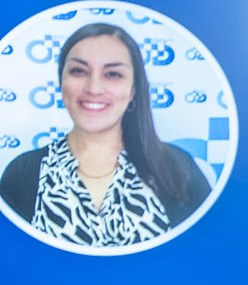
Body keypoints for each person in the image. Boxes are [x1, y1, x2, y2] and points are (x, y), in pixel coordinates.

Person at [1, 22, 210, 248]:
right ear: (62, 82)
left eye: (112, 74)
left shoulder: (177, 167)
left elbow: (208, 254)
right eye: (78, 71)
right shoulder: (23, 172)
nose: (94, 88)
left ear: (133, 90)